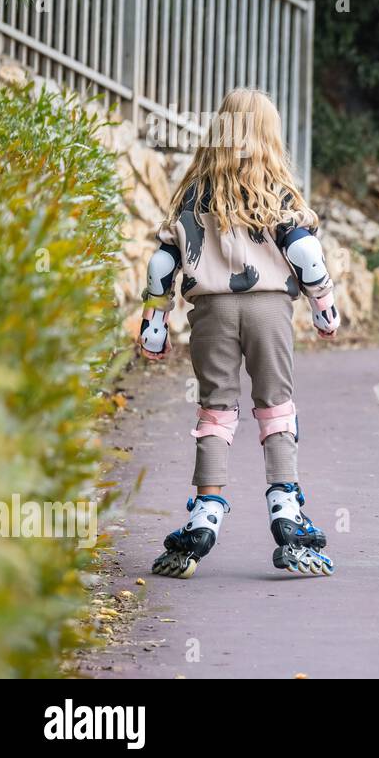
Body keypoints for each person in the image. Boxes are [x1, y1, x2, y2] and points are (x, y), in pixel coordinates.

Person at [140, 88, 340, 578]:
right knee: (276, 407)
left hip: (209, 312)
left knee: (216, 413)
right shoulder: (278, 192)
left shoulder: (192, 193)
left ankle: (204, 515)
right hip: (270, 310)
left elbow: (162, 262)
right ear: (270, 136)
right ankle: (286, 513)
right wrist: (324, 309)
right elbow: (306, 255)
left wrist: (154, 325)